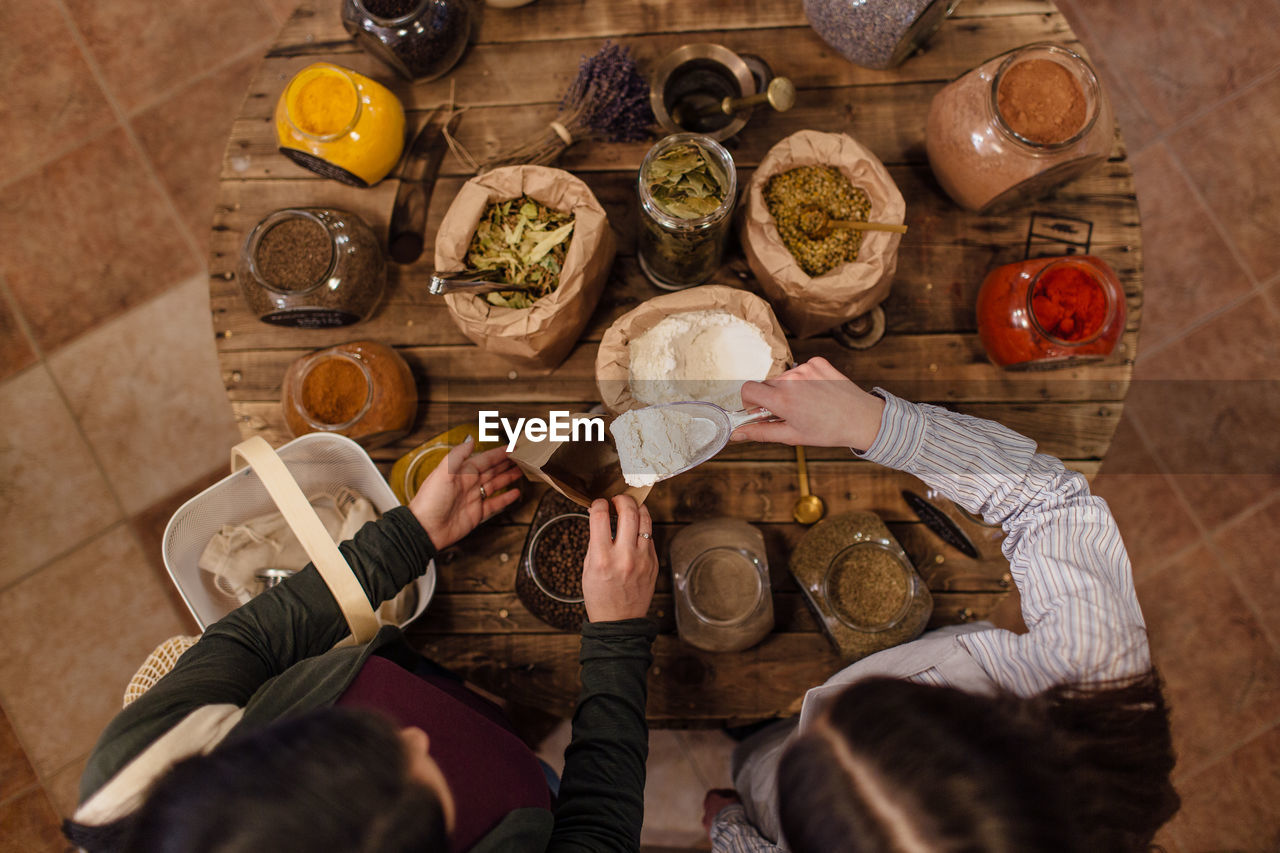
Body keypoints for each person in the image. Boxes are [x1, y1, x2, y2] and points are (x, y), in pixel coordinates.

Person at [64, 436, 660, 853]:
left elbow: (250, 643)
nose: (415, 736)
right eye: (423, 791)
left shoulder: (137, 774)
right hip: (538, 804)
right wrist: (617, 637)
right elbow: (597, 834)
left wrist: (407, 537)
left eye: (366, 737)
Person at [704, 357, 1179, 852]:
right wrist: (871, 422)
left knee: (761, 761)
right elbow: (1048, 503)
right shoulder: (1094, 684)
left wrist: (731, 827)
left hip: (770, 799)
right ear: (985, 724)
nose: (827, 713)